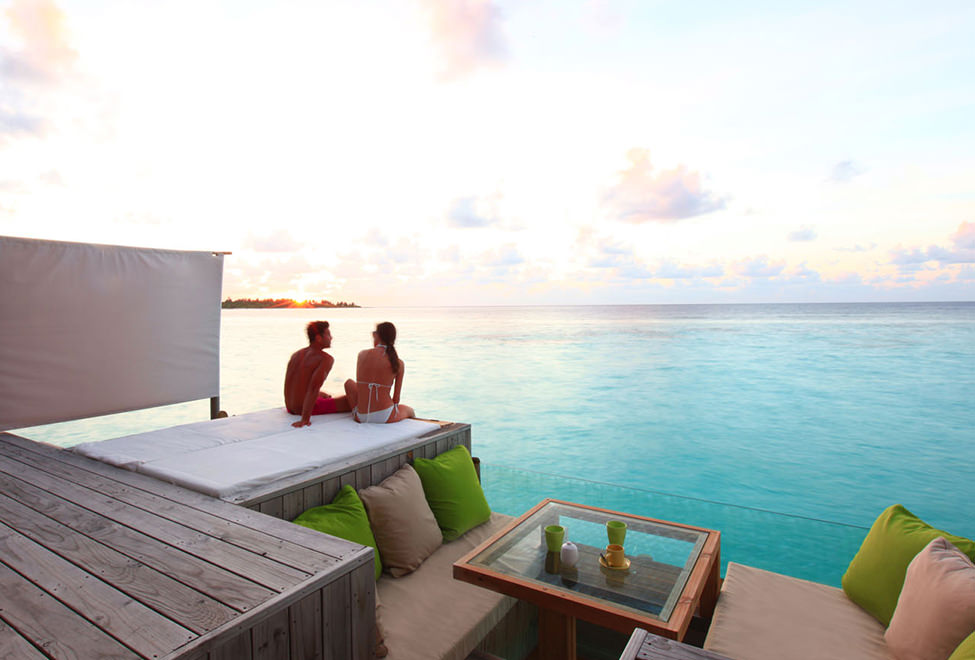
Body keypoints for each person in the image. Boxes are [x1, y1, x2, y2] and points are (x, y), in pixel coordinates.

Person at [343, 322, 415, 424]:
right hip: (385, 416)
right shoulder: (398, 363)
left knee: (349, 383)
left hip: (361, 416)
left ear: (377, 335)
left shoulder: (362, 354)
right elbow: (396, 399)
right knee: (410, 410)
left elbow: (361, 387)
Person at [285, 321, 351, 427]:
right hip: (302, 409)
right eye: (328, 334)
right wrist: (305, 419)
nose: (331, 338)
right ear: (318, 338)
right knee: (351, 399)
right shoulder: (325, 359)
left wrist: (319, 394)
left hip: (290, 407)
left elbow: (293, 384)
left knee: (324, 395)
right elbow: (314, 388)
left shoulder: (296, 355)